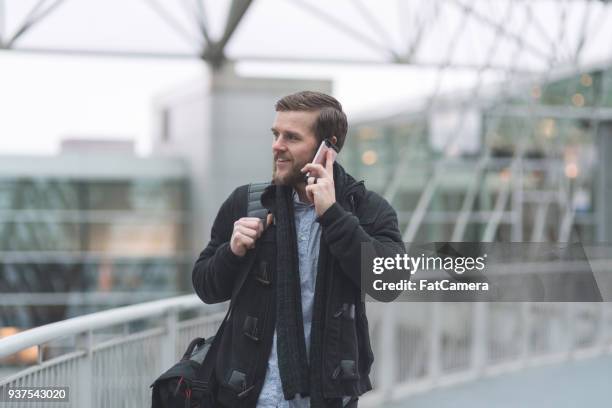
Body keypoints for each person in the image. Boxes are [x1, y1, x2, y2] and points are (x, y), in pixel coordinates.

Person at [192, 91, 403, 408]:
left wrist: (333, 215)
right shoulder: (247, 204)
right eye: (276, 134)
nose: (277, 145)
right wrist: (231, 252)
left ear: (327, 146)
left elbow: (391, 283)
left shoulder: (366, 209)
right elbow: (205, 287)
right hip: (246, 395)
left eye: (291, 137)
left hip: (326, 396)